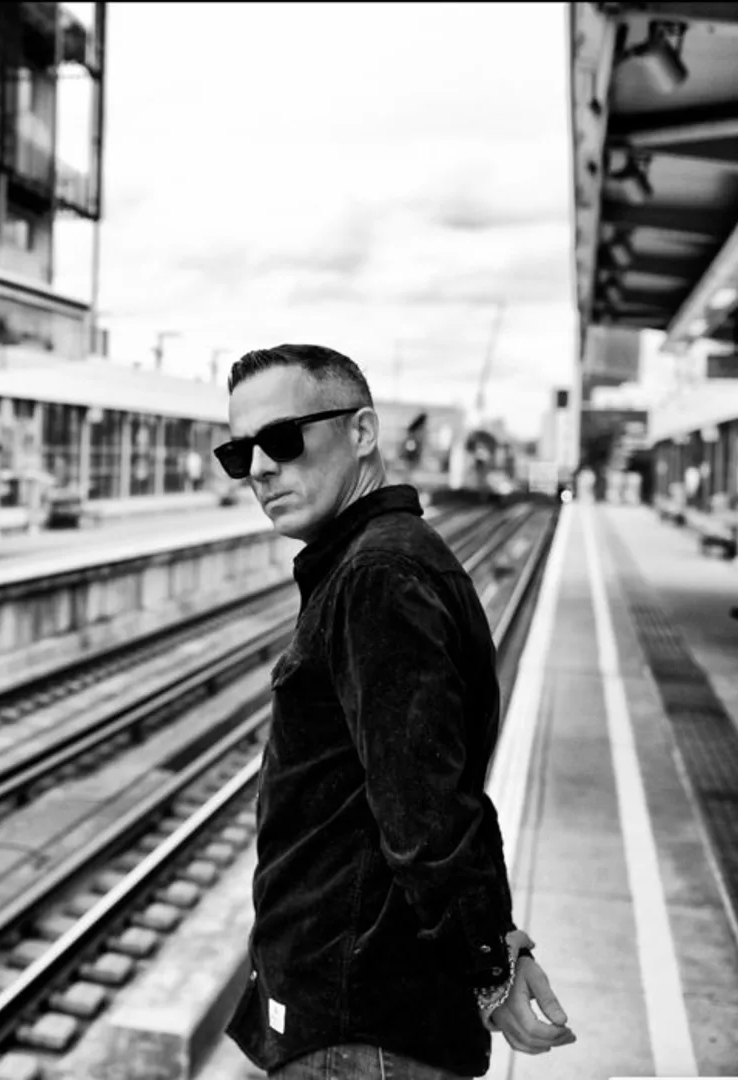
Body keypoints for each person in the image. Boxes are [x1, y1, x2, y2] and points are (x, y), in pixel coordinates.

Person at [217, 345, 576, 1079]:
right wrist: (491, 945)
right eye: (238, 452)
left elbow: (425, 807)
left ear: (362, 432)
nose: (258, 468)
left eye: (281, 439)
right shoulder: (377, 561)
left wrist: (490, 964)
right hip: (358, 1017)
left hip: (359, 1026)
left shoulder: (377, 575)